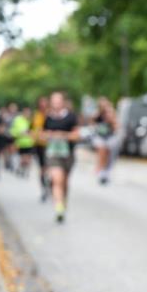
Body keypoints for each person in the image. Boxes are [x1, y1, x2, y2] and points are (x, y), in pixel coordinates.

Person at [40, 91, 81, 223]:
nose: (56, 103)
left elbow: (76, 135)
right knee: (57, 179)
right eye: (54, 101)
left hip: (68, 154)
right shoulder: (48, 118)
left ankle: (63, 202)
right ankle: (58, 208)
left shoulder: (71, 117)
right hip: (53, 154)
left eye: (58, 101)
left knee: (64, 182)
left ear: (63, 102)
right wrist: (48, 135)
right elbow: (42, 135)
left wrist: (63, 135)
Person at [91, 97, 120, 184]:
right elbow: (92, 120)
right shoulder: (98, 113)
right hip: (100, 136)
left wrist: (110, 116)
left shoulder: (111, 112)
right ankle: (100, 168)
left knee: (110, 152)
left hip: (110, 136)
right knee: (102, 149)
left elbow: (116, 125)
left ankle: (106, 171)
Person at [10, 106, 35, 178]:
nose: (27, 113)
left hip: (30, 143)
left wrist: (32, 134)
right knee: (23, 158)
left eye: (28, 112)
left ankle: (25, 170)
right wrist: (20, 133)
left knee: (28, 159)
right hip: (20, 143)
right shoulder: (18, 120)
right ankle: (21, 169)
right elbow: (13, 131)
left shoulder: (31, 120)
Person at [32, 96, 49, 201]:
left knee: (50, 168)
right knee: (42, 168)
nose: (43, 105)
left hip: (50, 145)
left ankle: (51, 185)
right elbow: (33, 129)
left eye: (45, 103)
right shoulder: (36, 116)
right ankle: (44, 188)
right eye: (41, 103)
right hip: (39, 145)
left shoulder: (50, 115)